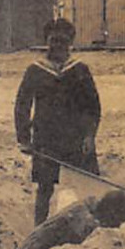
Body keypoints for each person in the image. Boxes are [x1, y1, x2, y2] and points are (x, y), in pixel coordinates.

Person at [15, 18, 102, 224]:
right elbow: (22, 106)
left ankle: (93, 229)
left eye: (63, 41)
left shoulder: (80, 70)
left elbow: (94, 107)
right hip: (46, 138)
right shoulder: (35, 70)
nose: (58, 46)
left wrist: (90, 136)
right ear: (47, 41)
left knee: (87, 184)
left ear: (70, 42)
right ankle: (38, 229)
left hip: (76, 137)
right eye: (53, 41)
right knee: (45, 188)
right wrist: (24, 139)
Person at [8, 189, 125, 249]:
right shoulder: (82, 218)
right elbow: (92, 238)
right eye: (117, 222)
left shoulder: (87, 209)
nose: (116, 227)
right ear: (111, 214)